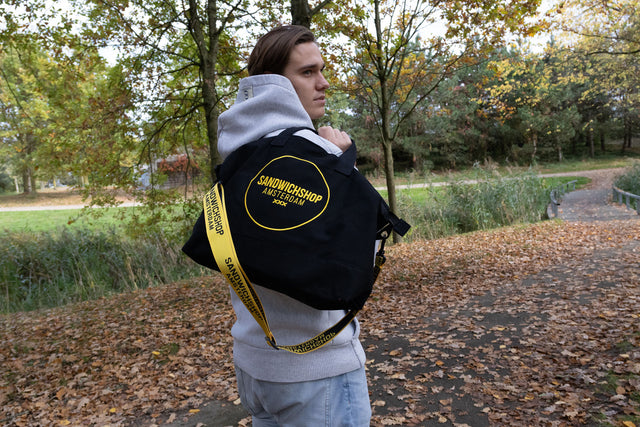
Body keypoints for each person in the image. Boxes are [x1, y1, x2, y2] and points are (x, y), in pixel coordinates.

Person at [216, 25, 372, 426]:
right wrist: (343, 167)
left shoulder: (238, 153)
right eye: (307, 72)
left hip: (254, 366)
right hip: (316, 371)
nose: (323, 83)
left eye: (322, 70)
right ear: (276, 84)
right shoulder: (316, 155)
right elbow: (359, 257)